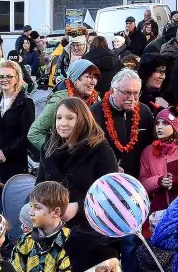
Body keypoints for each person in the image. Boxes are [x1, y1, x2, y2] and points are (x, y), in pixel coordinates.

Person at [37, 97, 120, 228]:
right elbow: (40, 186)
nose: (62, 123)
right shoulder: (48, 148)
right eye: (59, 118)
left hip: (89, 228)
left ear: (82, 120)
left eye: (70, 118)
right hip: (52, 225)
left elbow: (111, 194)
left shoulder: (101, 151)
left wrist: (78, 207)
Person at [90, 68, 157, 179]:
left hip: (137, 178)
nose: (131, 98)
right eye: (127, 93)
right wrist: (109, 165)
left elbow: (149, 145)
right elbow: (89, 149)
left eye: (136, 93)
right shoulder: (94, 112)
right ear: (112, 91)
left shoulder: (144, 112)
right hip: (106, 177)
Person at [29, 58, 102, 157]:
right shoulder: (60, 100)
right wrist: (57, 154)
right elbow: (34, 133)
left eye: (95, 78)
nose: (93, 82)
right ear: (75, 79)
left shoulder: (95, 98)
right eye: (88, 77)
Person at [0, 60, 36, 181]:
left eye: (9, 76)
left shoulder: (25, 103)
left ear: (17, 78)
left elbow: (26, 134)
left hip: (15, 161)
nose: (4, 79)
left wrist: (6, 152)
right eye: (1, 77)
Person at [142, 107, 178, 213]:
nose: (159, 127)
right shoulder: (148, 152)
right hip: (158, 212)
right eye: (157, 123)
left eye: (165, 123)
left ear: (175, 126)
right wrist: (158, 181)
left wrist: (177, 181)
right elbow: (142, 182)